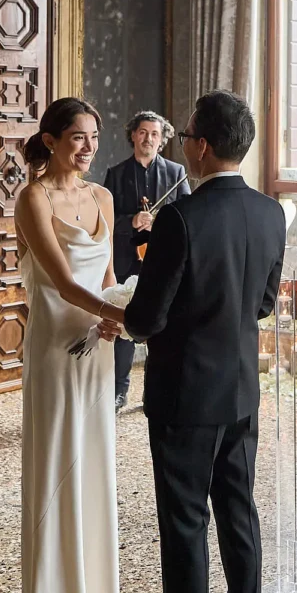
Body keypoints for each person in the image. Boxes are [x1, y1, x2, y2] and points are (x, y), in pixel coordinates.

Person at [121, 90, 286, 593]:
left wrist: (122, 318)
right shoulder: (271, 213)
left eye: (186, 133)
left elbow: (146, 318)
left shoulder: (180, 219)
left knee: (186, 532)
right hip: (241, 392)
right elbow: (264, 304)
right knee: (239, 521)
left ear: (201, 146)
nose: (183, 141)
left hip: (186, 397)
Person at [14, 98, 126, 593]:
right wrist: (108, 310)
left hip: (97, 346)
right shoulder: (34, 199)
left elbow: (105, 278)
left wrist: (117, 316)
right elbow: (60, 281)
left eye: (94, 137)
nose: (87, 147)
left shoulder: (104, 198)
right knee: (58, 467)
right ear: (52, 140)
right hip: (56, 351)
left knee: (95, 468)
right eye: (77, 137)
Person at [103, 111, 190, 411]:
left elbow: (188, 214)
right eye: (142, 132)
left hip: (163, 257)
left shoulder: (177, 173)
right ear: (133, 135)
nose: (148, 138)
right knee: (127, 322)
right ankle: (119, 390)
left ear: (162, 140)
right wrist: (132, 220)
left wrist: (162, 223)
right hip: (128, 258)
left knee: (162, 326)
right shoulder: (116, 174)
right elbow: (105, 219)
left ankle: (156, 391)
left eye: (154, 134)